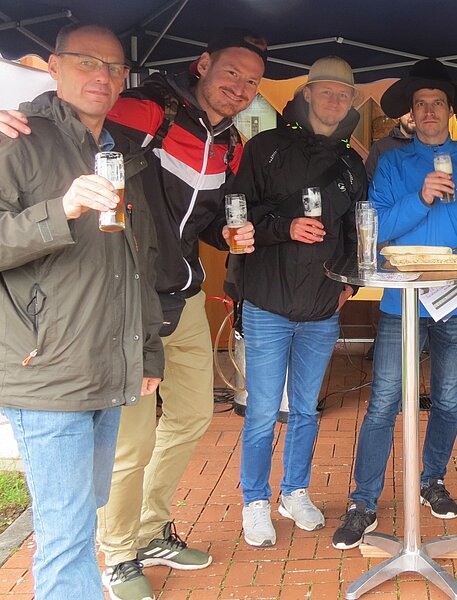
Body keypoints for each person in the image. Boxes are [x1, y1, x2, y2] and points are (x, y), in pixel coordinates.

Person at [0, 27, 265, 599]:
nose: (241, 87)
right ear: (202, 64)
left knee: (192, 417)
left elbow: (190, 220)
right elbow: (57, 114)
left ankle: (148, 530)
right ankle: (118, 552)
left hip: (172, 295)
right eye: (231, 74)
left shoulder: (228, 143)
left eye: (252, 82)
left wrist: (227, 233)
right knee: (129, 446)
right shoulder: (140, 112)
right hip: (95, 316)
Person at [0, 24, 163, 599]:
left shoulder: (117, 150)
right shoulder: (15, 137)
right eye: (87, 62)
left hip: (106, 366)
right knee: (66, 533)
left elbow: (133, 262)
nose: (103, 76)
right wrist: (60, 209)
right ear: (53, 65)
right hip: (46, 369)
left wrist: (146, 350)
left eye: (115, 67)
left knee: (84, 512)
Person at [332, 58, 457, 550]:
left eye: (437, 104)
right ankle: (364, 501)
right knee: (385, 401)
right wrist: (422, 197)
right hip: (402, 303)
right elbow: (377, 230)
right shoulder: (392, 164)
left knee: (448, 400)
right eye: (420, 105)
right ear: (410, 114)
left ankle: (433, 479)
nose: (428, 111)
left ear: (450, 111)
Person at [229, 57, 364, 547]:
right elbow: (237, 217)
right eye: (326, 92)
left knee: (305, 409)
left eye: (344, 95)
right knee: (264, 411)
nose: (335, 102)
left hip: (322, 309)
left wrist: (350, 285)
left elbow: (356, 232)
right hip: (267, 304)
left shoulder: (351, 163)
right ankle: (255, 501)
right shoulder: (264, 148)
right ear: (307, 94)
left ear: (352, 102)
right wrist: (284, 227)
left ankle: (295, 491)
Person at [365, 110, 415, 180]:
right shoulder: (381, 147)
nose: (412, 116)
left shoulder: (431, 145)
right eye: (407, 111)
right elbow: (370, 182)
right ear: (399, 116)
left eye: (416, 110)